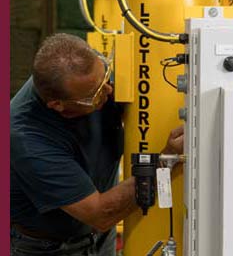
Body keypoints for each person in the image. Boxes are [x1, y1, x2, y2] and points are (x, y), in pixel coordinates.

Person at [10, 34, 185, 255]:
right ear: (58, 105)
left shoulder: (92, 75)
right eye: (96, 94)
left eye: (106, 78)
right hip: (49, 247)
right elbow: (101, 213)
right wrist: (165, 161)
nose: (109, 91)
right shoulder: (28, 139)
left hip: (100, 234)